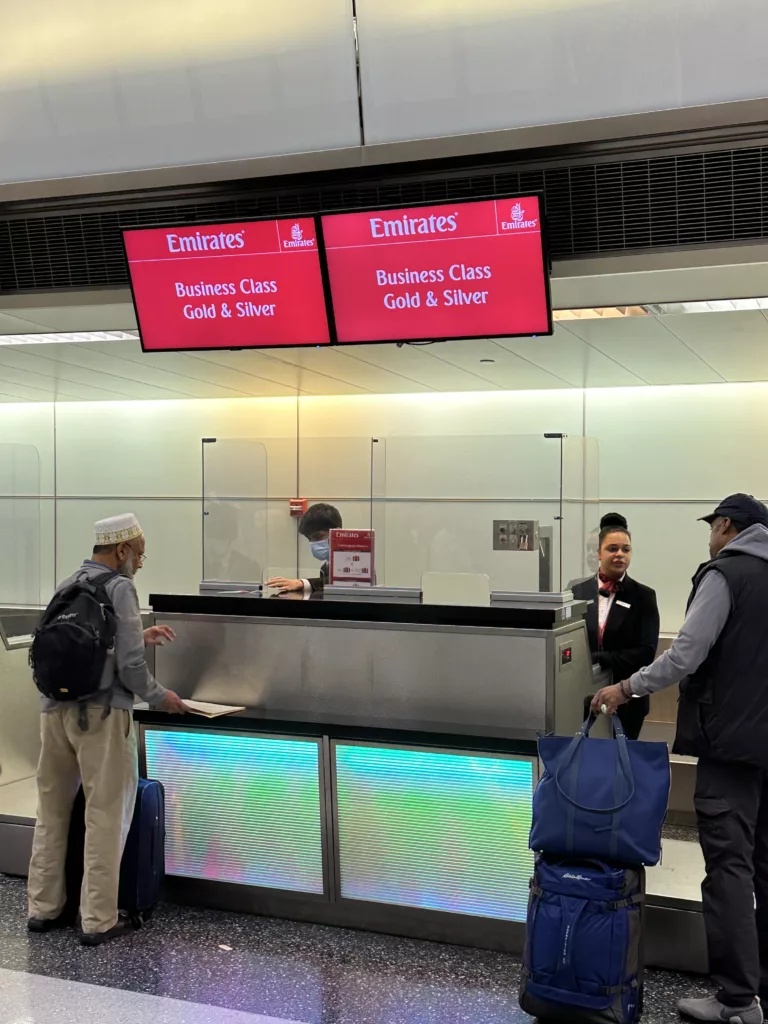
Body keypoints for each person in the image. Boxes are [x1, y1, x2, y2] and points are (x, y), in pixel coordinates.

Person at [592, 494, 768, 1024]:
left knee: (729, 869)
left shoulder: (726, 575)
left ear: (725, 526)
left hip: (730, 745)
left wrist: (625, 688)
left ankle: (738, 1000)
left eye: (712, 529)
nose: (709, 539)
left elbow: (685, 654)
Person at [27, 514, 187, 947]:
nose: (139, 562)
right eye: (139, 553)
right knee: (105, 815)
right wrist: (160, 697)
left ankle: (43, 908)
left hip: (54, 711)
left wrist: (140, 635)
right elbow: (132, 668)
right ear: (121, 551)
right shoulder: (120, 587)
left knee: (52, 813)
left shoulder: (69, 582)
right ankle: (97, 919)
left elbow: (88, 643)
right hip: (102, 716)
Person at [573, 513, 660, 739]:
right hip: (582, 697)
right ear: (598, 554)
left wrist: (602, 657)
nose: (620, 554)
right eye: (612, 549)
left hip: (627, 700)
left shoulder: (644, 596)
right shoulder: (577, 592)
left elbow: (646, 652)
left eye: (626, 549)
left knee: (619, 765)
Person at [267, 503, 342, 595]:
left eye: (318, 536)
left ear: (337, 532)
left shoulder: (358, 559)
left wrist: (303, 583)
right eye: (310, 539)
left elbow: (344, 581)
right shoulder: (325, 567)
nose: (314, 543)